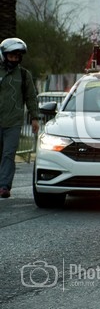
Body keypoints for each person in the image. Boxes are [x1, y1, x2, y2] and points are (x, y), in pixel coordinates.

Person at [0, 38, 40, 198]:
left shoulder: (24, 75)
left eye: (17, 57)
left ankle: (4, 186)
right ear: (4, 55)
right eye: (11, 56)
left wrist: (35, 117)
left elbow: (31, 97)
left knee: (8, 154)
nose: (14, 59)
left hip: (13, 123)